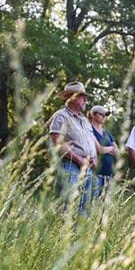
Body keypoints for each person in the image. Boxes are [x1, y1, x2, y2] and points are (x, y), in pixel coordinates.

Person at [47, 82, 115, 216]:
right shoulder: (61, 116)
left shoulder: (84, 120)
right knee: (67, 210)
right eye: (82, 96)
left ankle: (80, 237)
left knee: (85, 211)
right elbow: (58, 143)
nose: (86, 100)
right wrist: (79, 160)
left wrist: (94, 159)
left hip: (88, 169)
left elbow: (91, 143)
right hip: (70, 167)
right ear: (71, 97)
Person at [89, 104, 119, 198]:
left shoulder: (107, 132)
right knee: (93, 202)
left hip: (110, 173)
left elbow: (117, 151)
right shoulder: (89, 130)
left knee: (105, 206)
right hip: (97, 173)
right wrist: (110, 149)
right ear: (93, 115)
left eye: (105, 115)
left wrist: (106, 149)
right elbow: (99, 150)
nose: (104, 117)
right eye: (101, 114)